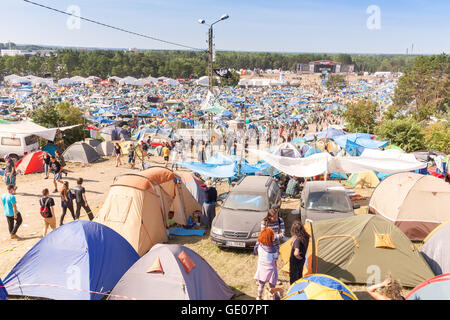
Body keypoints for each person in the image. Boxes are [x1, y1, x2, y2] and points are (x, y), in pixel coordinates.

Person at [253, 228, 279, 300]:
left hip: (262, 267)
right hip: (271, 269)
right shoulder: (273, 249)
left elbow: (256, 252)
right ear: (270, 237)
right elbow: (276, 258)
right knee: (272, 285)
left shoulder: (259, 245)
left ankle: (259, 297)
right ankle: (272, 297)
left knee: (261, 284)